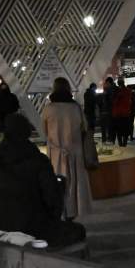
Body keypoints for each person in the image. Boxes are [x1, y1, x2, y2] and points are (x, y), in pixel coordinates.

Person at [0, 113, 86, 248]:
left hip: (4, 224)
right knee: (78, 230)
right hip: (35, 227)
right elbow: (52, 200)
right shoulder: (38, 160)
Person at [42, 77, 92, 219]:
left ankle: (61, 212)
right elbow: (85, 127)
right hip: (75, 152)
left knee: (59, 184)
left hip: (56, 153)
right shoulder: (75, 107)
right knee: (74, 184)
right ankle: (73, 213)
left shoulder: (48, 108)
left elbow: (45, 132)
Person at [111, 78, 133, 147]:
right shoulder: (128, 91)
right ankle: (124, 144)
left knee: (119, 131)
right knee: (125, 131)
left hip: (119, 114)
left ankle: (121, 145)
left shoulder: (117, 92)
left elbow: (114, 102)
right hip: (125, 114)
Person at [99, 77, 115, 143]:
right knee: (105, 127)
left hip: (109, 112)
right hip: (105, 112)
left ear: (109, 83)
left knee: (109, 127)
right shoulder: (106, 91)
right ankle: (106, 140)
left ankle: (109, 140)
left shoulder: (111, 91)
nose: (105, 84)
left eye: (106, 83)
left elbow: (109, 102)